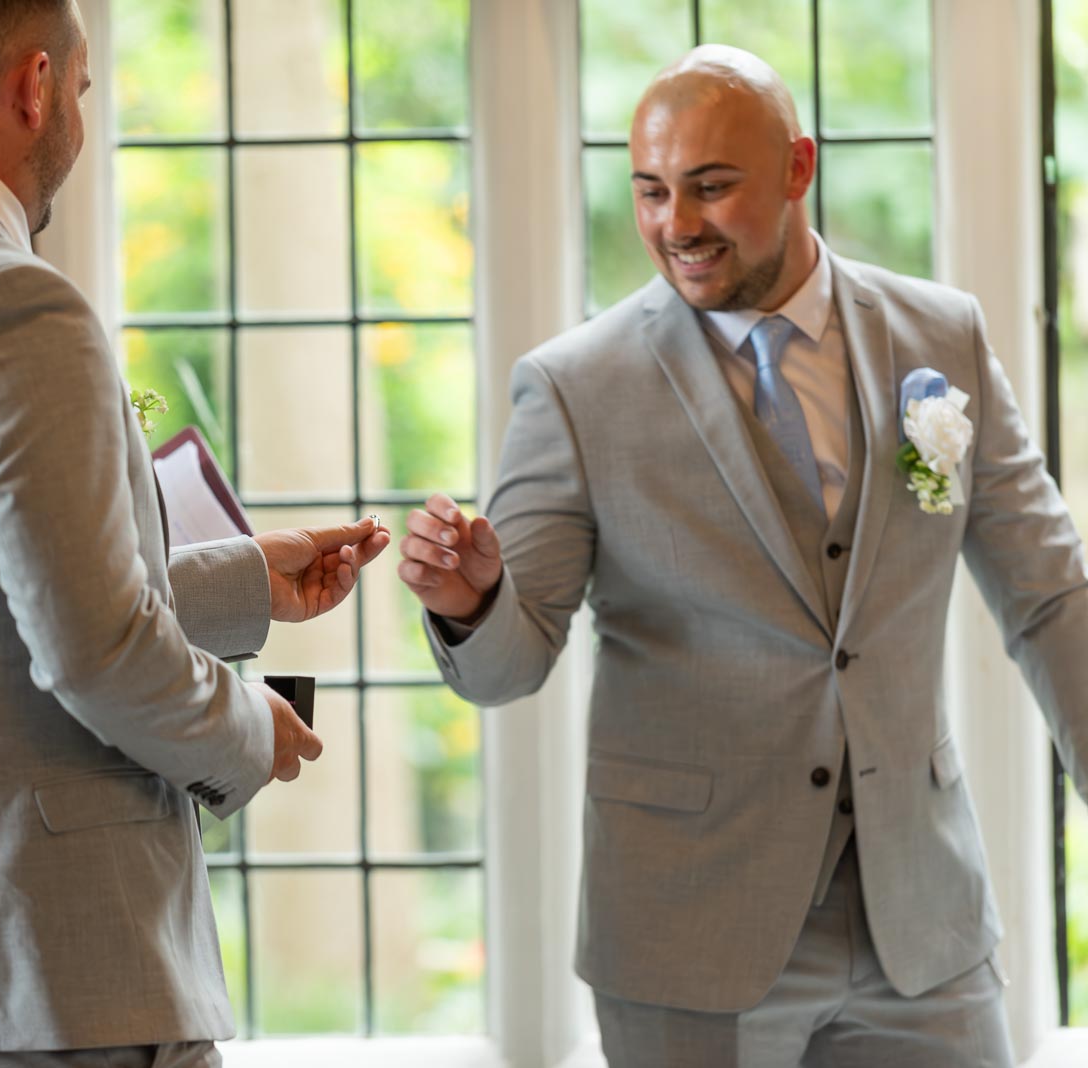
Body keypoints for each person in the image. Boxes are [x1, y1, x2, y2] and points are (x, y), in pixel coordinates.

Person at [400, 45, 1088, 1067]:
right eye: (649, 190)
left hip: (921, 927)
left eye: (710, 188)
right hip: (689, 935)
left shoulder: (939, 340)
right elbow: (508, 667)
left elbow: (1047, 595)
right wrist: (474, 602)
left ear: (798, 168)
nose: (675, 224)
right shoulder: (573, 389)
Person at [0, 2, 388, 1066]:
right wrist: (249, 726)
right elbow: (93, 653)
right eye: (86, 90)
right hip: (35, 973)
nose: (81, 122)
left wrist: (245, 584)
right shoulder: (6, 301)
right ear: (35, 85)